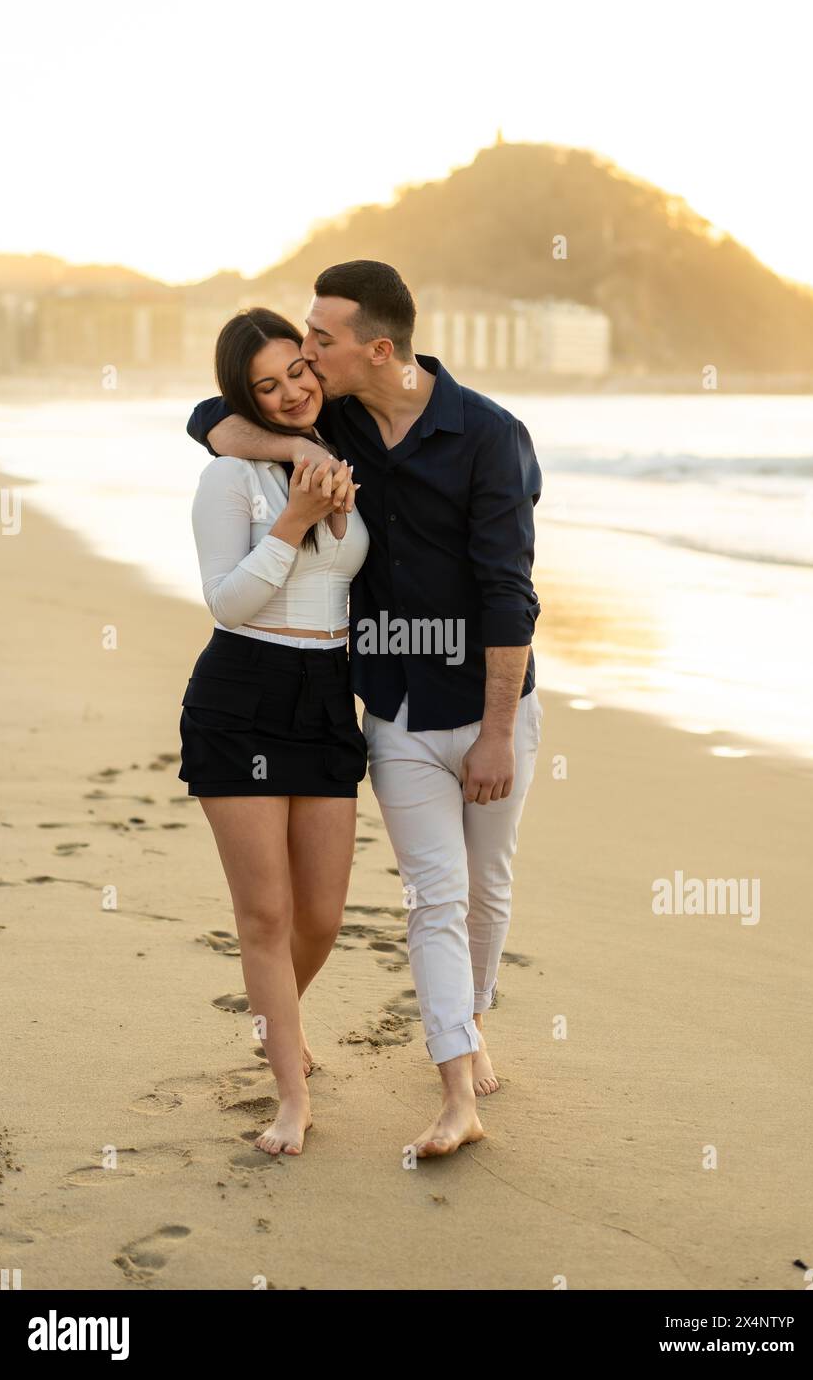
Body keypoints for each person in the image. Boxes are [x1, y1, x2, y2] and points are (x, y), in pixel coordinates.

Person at [187, 261, 543, 1159]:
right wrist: (292, 458)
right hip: (370, 702)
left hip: (446, 701)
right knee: (426, 894)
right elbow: (211, 419)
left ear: (375, 349)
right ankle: (429, 1086)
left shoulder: (490, 436)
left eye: (317, 344)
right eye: (293, 354)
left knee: (469, 896)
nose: (304, 364)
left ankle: (465, 1017)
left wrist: (499, 729)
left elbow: (509, 591)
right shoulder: (326, 427)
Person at [179, 307, 368, 1157]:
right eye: (267, 386)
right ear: (243, 397)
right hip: (242, 691)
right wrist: (290, 519)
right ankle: (289, 1097)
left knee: (321, 916)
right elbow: (226, 601)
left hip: (327, 695)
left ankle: (275, 1024)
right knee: (265, 914)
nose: (291, 392)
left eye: (298, 370)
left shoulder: (342, 444)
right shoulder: (228, 477)